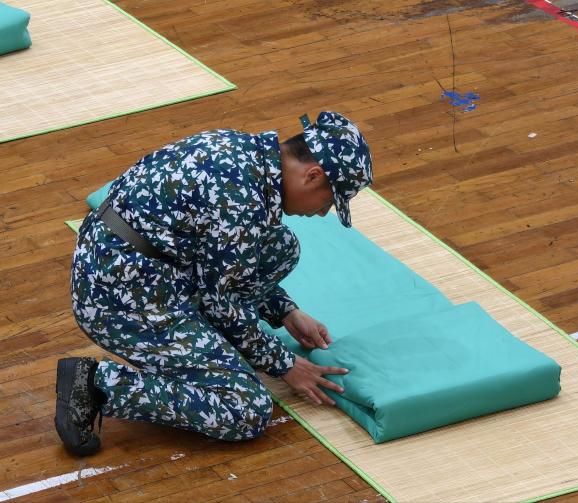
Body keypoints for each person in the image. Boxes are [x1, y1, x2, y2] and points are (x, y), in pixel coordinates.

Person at [55, 111, 373, 456]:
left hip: (126, 264)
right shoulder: (241, 199)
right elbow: (221, 302)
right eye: (328, 201)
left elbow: (224, 259)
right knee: (245, 409)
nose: (323, 212)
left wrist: (285, 311)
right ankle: (97, 386)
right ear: (313, 175)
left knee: (280, 247)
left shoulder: (243, 150)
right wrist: (285, 364)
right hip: (120, 300)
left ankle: (208, 345)